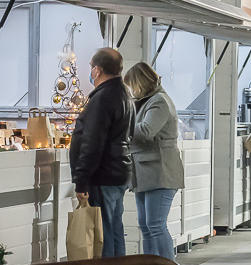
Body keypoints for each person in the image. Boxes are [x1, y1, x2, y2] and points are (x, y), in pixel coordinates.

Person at [70, 48, 135, 257]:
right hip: (119, 172)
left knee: (102, 233)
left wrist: (81, 180)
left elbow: (92, 142)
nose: (90, 71)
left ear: (97, 70)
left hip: (103, 174)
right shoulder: (125, 94)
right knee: (114, 229)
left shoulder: (102, 98)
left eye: (91, 67)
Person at [123, 62, 185, 261]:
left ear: (140, 83)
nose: (131, 90)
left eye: (132, 85)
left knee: (156, 225)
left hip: (160, 171)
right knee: (146, 226)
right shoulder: (144, 101)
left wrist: (121, 124)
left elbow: (146, 131)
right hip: (145, 172)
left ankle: (167, 263)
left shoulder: (159, 101)